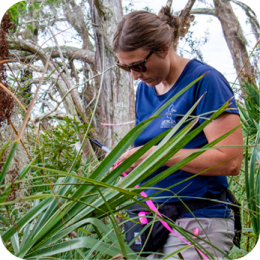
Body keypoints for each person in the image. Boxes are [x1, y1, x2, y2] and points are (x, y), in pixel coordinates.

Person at [112, 6, 243, 260]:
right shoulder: (146, 91)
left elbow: (230, 160)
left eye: (139, 65)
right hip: (154, 219)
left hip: (198, 218)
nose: (135, 76)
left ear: (163, 48)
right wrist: (131, 165)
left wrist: (155, 154)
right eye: (126, 68)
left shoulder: (205, 81)